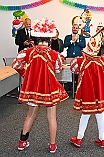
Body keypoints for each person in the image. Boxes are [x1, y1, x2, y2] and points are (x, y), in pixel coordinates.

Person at [12, 18, 69, 153]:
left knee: (30, 115)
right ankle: (52, 145)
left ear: (36, 38)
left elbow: (15, 65)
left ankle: (22, 142)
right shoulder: (54, 54)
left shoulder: (27, 52)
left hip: (33, 89)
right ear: (49, 40)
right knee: (51, 117)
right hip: (49, 89)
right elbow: (58, 70)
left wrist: (27, 75)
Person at [69, 49, 104, 148]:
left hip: (87, 92)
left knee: (85, 114)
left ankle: (79, 138)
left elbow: (73, 69)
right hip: (100, 92)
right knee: (100, 115)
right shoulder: (103, 61)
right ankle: (102, 139)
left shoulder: (81, 61)